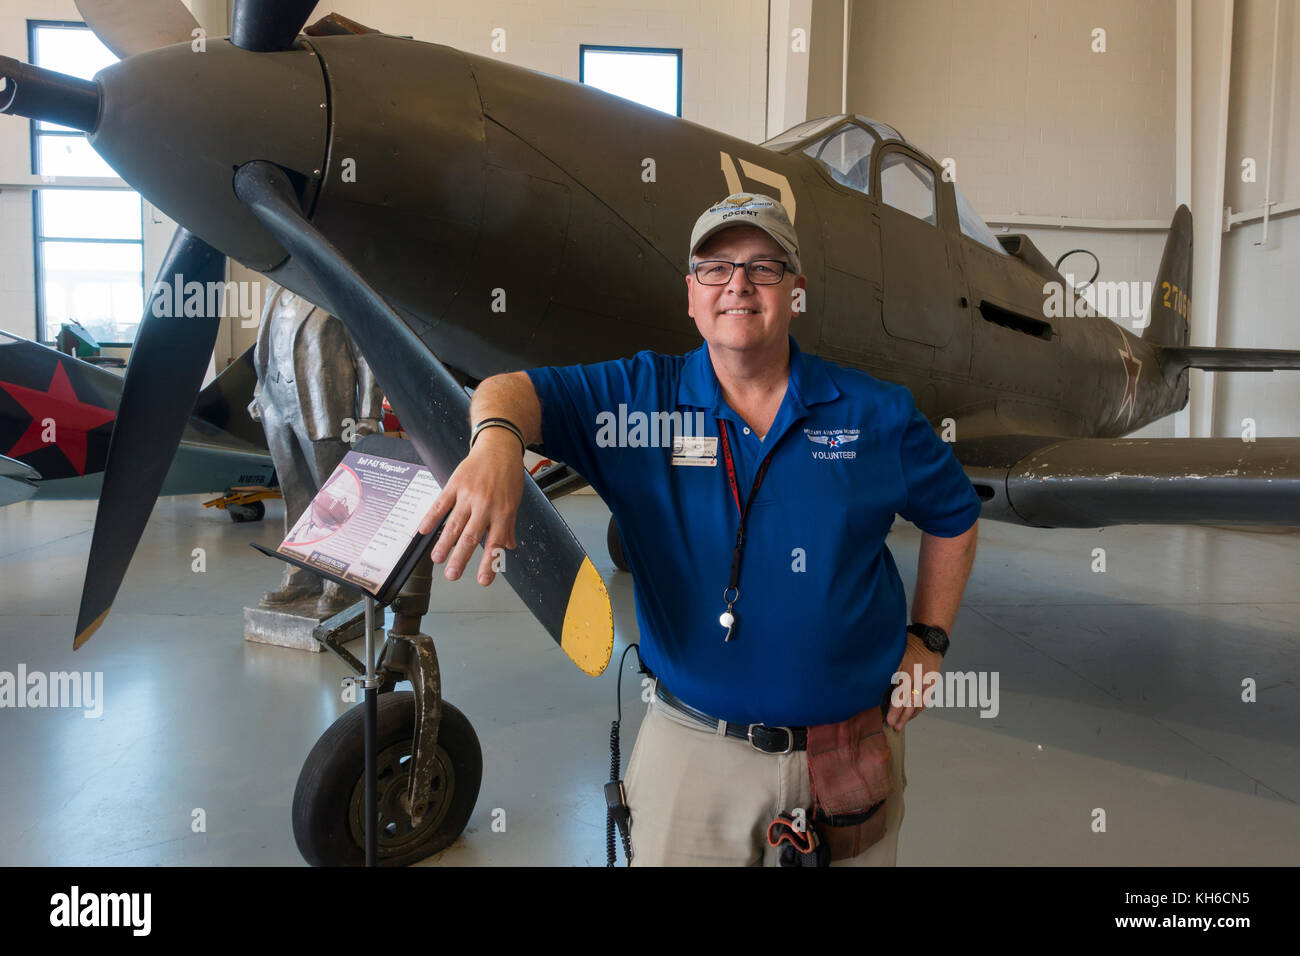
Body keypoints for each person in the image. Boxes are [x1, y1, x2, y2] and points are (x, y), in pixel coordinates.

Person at [418, 193, 980, 866]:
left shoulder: (876, 413)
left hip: (847, 750)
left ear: (796, 291)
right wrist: (494, 440)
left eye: (763, 267)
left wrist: (929, 639)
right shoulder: (636, 402)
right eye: (715, 268)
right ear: (691, 294)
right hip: (692, 749)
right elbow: (510, 390)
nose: (737, 285)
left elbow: (954, 514)